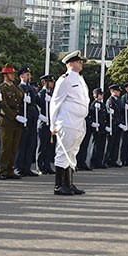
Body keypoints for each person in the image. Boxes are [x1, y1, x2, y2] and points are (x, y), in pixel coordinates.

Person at [50, 51, 89, 196]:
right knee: (63, 152)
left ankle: (69, 183)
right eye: (78, 61)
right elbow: (55, 102)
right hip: (66, 121)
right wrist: (53, 125)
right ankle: (59, 185)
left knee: (72, 153)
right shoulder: (64, 79)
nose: (81, 63)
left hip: (78, 122)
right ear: (70, 64)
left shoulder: (80, 79)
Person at [0, 66, 25, 180]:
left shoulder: (16, 89)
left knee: (14, 147)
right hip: (7, 121)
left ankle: (10, 169)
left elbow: (21, 101)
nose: (13, 76)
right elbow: (3, 106)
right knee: (6, 147)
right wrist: (15, 116)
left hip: (16, 122)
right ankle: (3, 171)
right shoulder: (1, 88)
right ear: (5, 75)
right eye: (11, 74)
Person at [15, 66, 40, 177]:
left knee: (30, 145)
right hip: (24, 119)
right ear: (21, 76)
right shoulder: (19, 88)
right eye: (27, 74)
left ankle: (27, 167)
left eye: (29, 74)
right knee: (22, 145)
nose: (29, 76)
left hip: (32, 119)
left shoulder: (31, 88)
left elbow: (37, 101)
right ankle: (19, 167)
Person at [36, 73, 56, 175]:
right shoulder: (41, 94)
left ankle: (47, 166)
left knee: (49, 146)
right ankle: (40, 166)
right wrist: (41, 116)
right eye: (50, 81)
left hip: (51, 124)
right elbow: (37, 108)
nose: (52, 83)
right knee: (42, 146)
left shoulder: (52, 94)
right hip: (43, 123)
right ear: (44, 82)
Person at [103, 83, 123, 167]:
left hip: (118, 125)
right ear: (112, 91)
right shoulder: (110, 100)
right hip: (113, 125)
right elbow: (112, 115)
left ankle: (113, 159)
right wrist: (118, 123)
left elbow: (120, 113)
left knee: (116, 143)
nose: (119, 92)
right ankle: (107, 160)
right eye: (117, 91)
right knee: (110, 143)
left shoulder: (118, 100)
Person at [87, 87, 107, 169]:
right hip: (96, 127)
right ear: (96, 95)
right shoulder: (93, 104)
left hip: (102, 127)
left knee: (101, 145)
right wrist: (93, 123)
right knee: (96, 145)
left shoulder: (102, 104)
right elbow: (90, 115)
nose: (102, 96)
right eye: (100, 94)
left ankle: (99, 161)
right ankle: (93, 161)